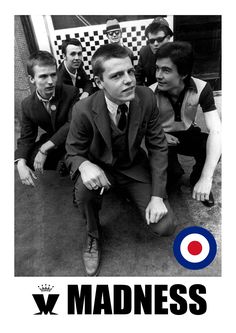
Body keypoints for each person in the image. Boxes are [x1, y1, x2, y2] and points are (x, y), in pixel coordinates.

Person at [65, 43, 176, 276]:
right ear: (99, 82)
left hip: (133, 167)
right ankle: (92, 235)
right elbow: (72, 151)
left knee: (165, 226)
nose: (128, 80)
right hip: (101, 170)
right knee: (84, 189)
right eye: (116, 75)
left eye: (130, 72)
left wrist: (157, 197)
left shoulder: (146, 97)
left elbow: (158, 147)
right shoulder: (83, 110)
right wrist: (84, 165)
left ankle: (131, 192)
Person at [149, 41, 221, 207]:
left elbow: (217, 130)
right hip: (162, 137)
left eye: (166, 70)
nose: (158, 75)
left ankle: (197, 181)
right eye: (157, 68)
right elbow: (141, 127)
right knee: (172, 176)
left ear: (183, 73)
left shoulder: (202, 88)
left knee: (214, 148)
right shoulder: (151, 92)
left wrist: (206, 178)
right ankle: (173, 172)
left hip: (187, 133)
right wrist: (160, 135)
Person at [15, 50, 80, 187]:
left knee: (88, 149)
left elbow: (72, 123)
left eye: (53, 75)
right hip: (54, 140)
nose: (50, 82)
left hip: (75, 137)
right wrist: (20, 164)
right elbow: (27, 137)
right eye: (43, 76)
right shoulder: (27, 104)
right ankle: (64, 161)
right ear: (32, 79)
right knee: (29, 157)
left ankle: (72, 166)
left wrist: (44, 149)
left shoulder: (71, 92)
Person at [135, 17, 173, 86]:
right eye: (151, 41)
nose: (155, 44)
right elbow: (138, 78)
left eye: (160, 39)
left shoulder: (177, 53)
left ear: (168, 38)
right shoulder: (144, 52)